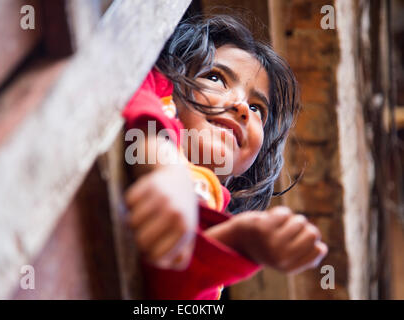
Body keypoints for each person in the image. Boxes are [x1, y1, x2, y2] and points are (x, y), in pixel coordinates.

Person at [122, 14, 328, 299]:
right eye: (216, 77)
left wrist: (240, 242)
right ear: (172, 87)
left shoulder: (217, 279)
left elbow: (166, 286)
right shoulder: (153, 90)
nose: (243, 106)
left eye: (258, 109)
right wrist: (164, 167)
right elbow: (134, 90)